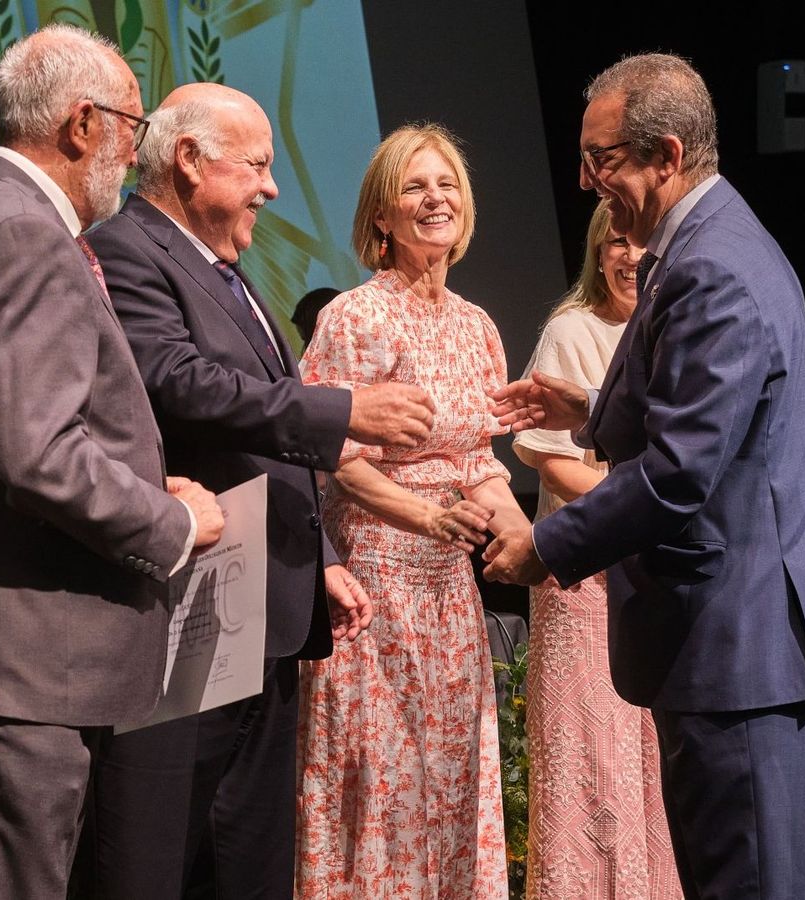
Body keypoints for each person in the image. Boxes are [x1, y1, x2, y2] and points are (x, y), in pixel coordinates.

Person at [485, 53, 805, 899]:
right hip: (727, 641)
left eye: (603, 158)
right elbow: (703, 416)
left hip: (740, 648)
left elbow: (681, 475)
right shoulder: (705, 243)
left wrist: (544, 545)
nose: (587, 180)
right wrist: (585, 409)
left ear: (669, 154)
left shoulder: (710, 267)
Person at [84, 82, 437, 900]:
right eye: (256, 165)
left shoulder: (227, 269)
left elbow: (263, 442)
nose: (272, 187)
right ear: (188, 159)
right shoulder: (127, 250)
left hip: (264, 609)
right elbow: (177, 383)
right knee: (160, 851)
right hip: (185, 604)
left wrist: (316, 557)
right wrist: (346, 409)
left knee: (248, 854)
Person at [0, 25, 226, 900]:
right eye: (132, 122)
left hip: (24, 653)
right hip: (20, 656)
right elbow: (38, 453)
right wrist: (174, 520)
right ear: (82, 124)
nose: (136, 145)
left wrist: (145, 484)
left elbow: (29, 427)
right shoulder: (16, 231)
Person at [296, 122, 519, 900]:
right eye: (415, 187)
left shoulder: (477, 325)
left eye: (448, 184)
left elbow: (479, 460)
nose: (437, 199)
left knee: (451, 778)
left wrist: (534, 537)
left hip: (450, 596)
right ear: (381, 218)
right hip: (375, 588)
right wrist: (427, 519)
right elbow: (334, 457)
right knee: (383, 781)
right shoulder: (355, 318)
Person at [512, 201, 680, 899]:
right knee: (594, 770)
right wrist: (633, 514)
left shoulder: (665, 330)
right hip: (583, 584)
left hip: (650, 579)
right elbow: (551, 462)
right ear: (595, 252)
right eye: (613, 244)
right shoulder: (571, 329)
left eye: (637, 244)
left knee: (651, 766)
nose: (627, 257)